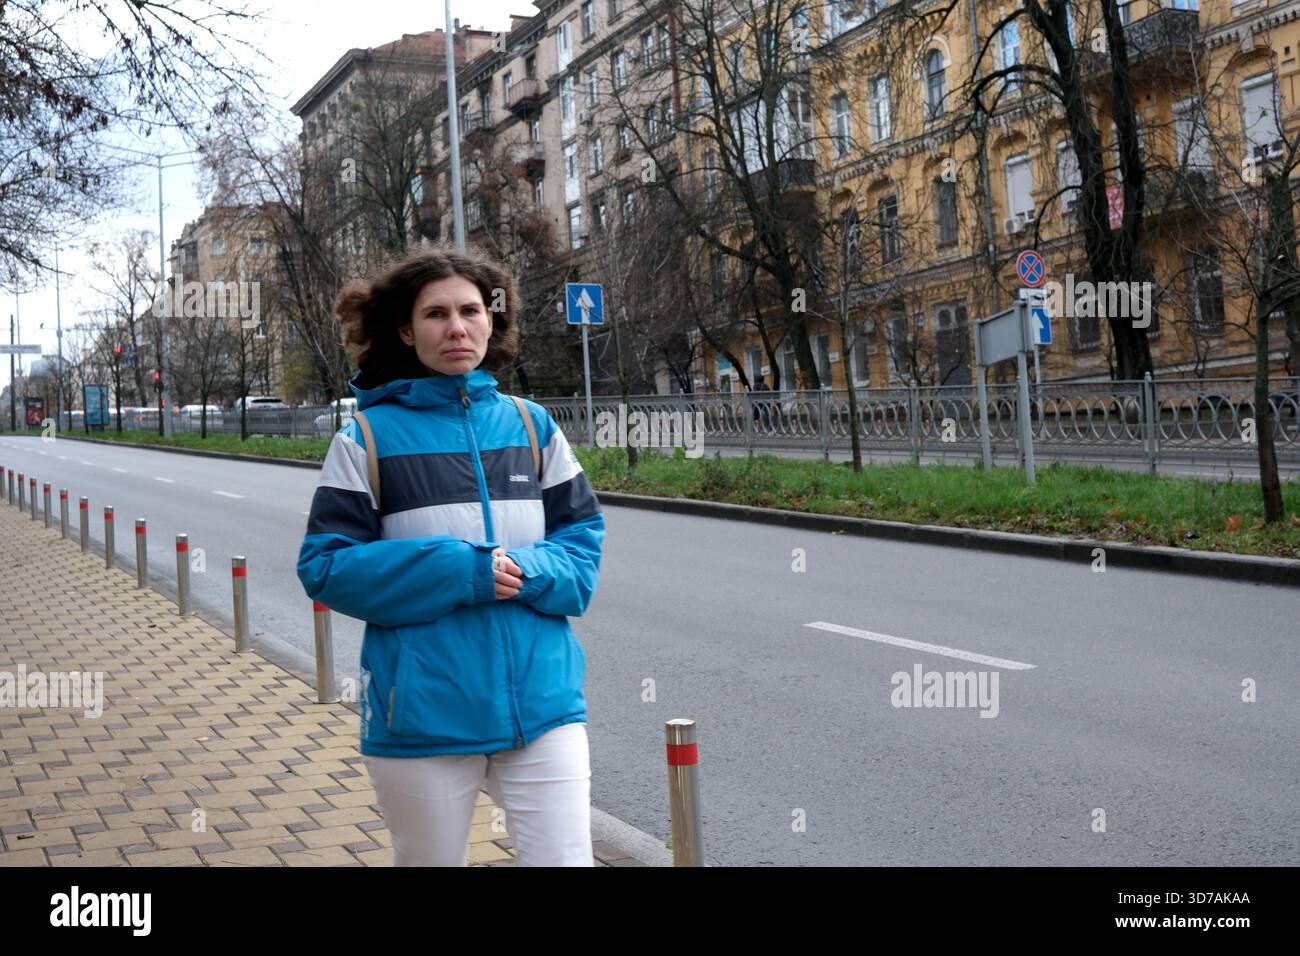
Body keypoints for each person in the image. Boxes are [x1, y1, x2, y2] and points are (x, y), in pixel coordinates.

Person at [296, 244, 605, 866]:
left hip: (543, 707)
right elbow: (326, 568)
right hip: (423, 715)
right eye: (436, 314)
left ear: (493, 320)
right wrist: (463, 571)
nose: (458, 327)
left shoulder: (532, 426)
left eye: (471, 310)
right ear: (407, 331)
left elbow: (581, 547)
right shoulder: (366, 439)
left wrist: (526, 572)